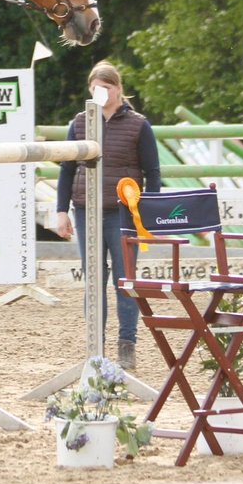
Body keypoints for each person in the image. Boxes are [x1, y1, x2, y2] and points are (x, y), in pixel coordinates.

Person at [54, 62, 161, 371]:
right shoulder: (78, 123)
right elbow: (66, 169)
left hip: (124, 214)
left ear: (118, 89)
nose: (101, 92)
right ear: (90, 90)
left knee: (125, 281)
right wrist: (62, 210)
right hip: (86, 209)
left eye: (107, 87)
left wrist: (149, 213)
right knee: (94, 280)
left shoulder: (139, 125)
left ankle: (127, 345)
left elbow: (152, 173)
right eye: (95, 88)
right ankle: (95, 347)